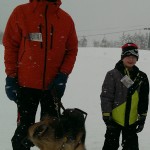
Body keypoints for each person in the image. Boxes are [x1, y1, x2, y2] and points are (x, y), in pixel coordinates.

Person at [3, 0, 78, 150]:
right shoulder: (21, 12)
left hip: (53, 87)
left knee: (51, 134)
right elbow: (11, 45)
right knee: (24, 131)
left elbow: (71, 50)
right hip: (25, 85)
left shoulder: (65, 19)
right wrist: (11, 77)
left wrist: (63, 76)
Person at [100, 43, 149, 150]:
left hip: (132, 120)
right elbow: (106, 96)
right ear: (122, 57)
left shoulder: (142, 77)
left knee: (131, 147)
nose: (131, 59)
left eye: (133, 57)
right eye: (128, 56)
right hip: (114, 119)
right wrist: (106, 115)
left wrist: (142, 117)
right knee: (110, 146)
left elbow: (144, 99)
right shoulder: (113, 74)